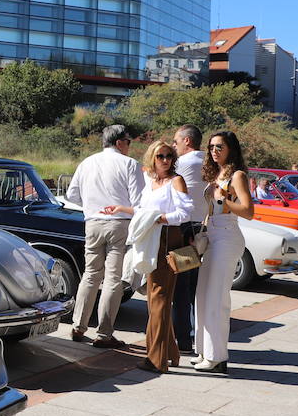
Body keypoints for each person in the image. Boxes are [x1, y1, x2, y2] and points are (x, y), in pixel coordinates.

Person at [103, 141, 193, 373]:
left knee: (159, 300)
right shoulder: (151, 182)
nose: (165, 160)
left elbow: (184, 213)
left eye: (169, 156)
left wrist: (158, 219)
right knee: (155, 300)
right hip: (150, 241)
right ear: (152, 158)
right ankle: (170, 353)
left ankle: (156, 359)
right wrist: (121, 209)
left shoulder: (176, 181)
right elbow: (142, 211)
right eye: (160, 156)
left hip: (166, 240)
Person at [65, 124, 144, 349]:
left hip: (92, 222)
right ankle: (104, 333)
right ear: (119, 142)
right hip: (118, 224)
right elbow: (137, 201)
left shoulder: (86, 162)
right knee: (112, 279)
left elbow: (72, 194)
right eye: (128, 142)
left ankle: (78, 326)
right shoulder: (129, 164)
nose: (130, 146)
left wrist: (91, 206)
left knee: (90, 274)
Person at [193, 130, 254, 374]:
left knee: (217, 297)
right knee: (203, 295)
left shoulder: (237, 175)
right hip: (212, 236)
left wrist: (222, 200)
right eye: (211, 147)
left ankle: (217, 357)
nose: (214, 151)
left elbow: (249, 211)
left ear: (231, 149)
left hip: (228, 237)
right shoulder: (216, 174)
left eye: (219, 147)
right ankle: (204, 351)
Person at [172, 125, 207, 354]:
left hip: (184, 231)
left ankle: (183, 340)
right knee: (194, 287)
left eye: (176, 142)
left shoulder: (186, 163)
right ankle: (195, 336)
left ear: (186, 141)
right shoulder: (206, 161)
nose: (173, 146)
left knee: (181, 290)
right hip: (200, 230)